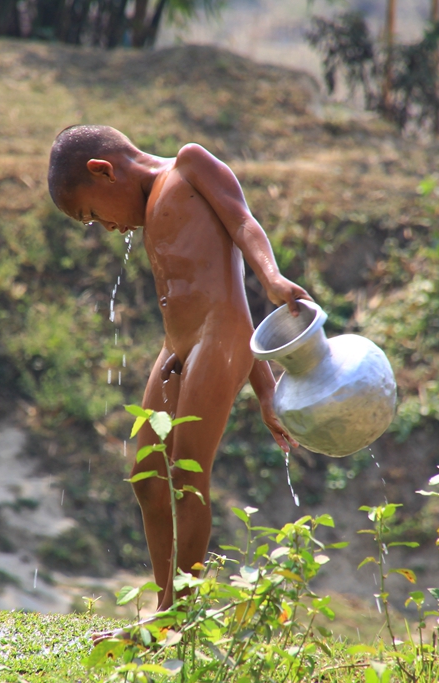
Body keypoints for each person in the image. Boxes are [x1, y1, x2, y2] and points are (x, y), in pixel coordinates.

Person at [48, 125, 310, 611]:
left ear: (102, 171)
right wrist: (265, 387)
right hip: (179, 346)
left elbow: (244, 224)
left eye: (92, 214)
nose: (107, 227)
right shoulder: (149, 213)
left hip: (217, 338)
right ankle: (166, 606)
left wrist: (271, 278)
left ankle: (175, 616)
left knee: (187, 474)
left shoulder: (189, 165)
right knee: (147, 478)